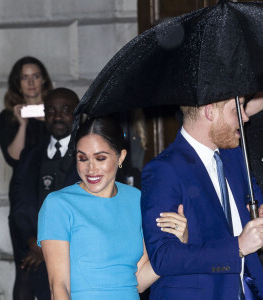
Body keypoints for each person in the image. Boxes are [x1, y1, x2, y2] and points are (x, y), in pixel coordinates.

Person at [37, 116, 188, 300]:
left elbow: (139, 280)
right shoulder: (58, 204)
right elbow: (59, 287)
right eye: (82, 158)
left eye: (100, 158)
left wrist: (176, 244)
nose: (91, 169)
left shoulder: (136, 198)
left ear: (121, 156)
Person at [141, 97, 263, 300]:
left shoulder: (234, 155)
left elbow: (255, 199)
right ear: (210, 112)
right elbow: (163, 257)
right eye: (236, 109)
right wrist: (238, 247)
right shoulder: (164, 169)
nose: (245, 117)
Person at [11, 87, 81, 300]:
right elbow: (20, 203)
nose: (57, 116)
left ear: (77, 115)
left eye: (65, 110)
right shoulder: (30, 155)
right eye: (50, 110)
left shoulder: (87, 154)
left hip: (75, 258)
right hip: (35, 254)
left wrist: (51, 247)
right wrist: (34, 242)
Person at [0, 56, 53, 300]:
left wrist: (47, 119)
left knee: (56, 265)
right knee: (26, 268)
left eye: (36, 76)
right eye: (24, 77)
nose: (31, 82)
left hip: (53, 192)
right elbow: (13, 158)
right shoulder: (6, 118)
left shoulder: (57, 112)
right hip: (25, 200)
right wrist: (22, 124)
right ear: (17, 83)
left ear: (44, 80)